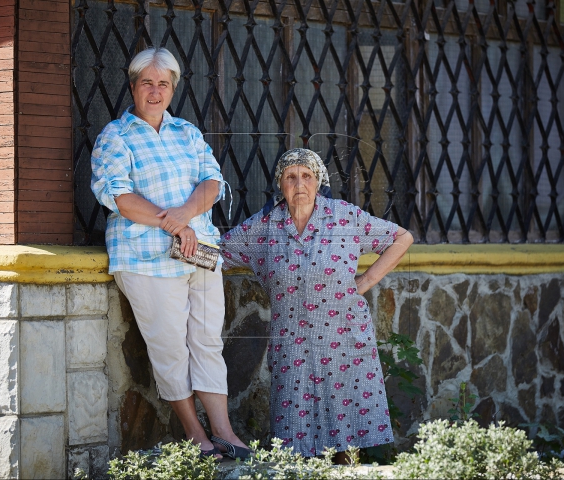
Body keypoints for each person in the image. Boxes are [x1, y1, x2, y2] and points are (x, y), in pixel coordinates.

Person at [90, 47, 249, 460]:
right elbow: (120, 198)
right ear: (133, 86)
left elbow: (212, 183)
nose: (155, 91)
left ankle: (225, 432)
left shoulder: (187, 133)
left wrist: (183, 216)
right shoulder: (116, 136)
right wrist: (172, 223)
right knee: (171, 348)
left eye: (164, 83)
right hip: (146, 258)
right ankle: (196, 436)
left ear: (174, 88)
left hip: (199, 253)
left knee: (207, 342)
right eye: (147, 82)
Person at [218, 148, 414, 462]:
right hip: (292, 346)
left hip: (343, 339)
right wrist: (176, 244)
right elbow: (217, 254)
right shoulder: (265, 226)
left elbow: (402, 237)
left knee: (344, 443)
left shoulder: (344, 216)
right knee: (295, 445)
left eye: (307, 176)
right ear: (280, 184)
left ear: (318, 180)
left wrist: (364, 282)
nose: (299, 184)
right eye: (291, 177)